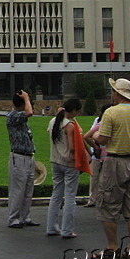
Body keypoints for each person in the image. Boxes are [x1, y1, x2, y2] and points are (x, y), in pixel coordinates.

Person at [92, 78, 130, 259]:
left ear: (118, 93)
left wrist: (95, 135)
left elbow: (103, 139)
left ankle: (112, 247)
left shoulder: (111, 112)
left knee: (108, 205)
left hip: (115, 161)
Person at [46, 98, 84, 238]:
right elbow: (73, 147)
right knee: (69, 197)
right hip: (68, 162)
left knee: (56, 195)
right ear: (73, 110)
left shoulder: (53, 121)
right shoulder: (69, 125)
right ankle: (67, 230)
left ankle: (51, 227)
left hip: (55, 160)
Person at [6, 89, 39, 228]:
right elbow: (29, 112)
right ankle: (14, 218)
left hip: (28, 156)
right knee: (18, 190)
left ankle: (25, 217)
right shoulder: (13, 116)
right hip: (18, 157)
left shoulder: (21, 118)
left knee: (28, 190)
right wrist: (26, 98)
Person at [83, 104, 111, 207]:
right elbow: (88, 135)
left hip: (107, 154)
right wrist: (96, 147)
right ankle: (93, 199)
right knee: (95, 177)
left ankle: (103, 200)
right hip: (99, 154)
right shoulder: (98, 121)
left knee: (106, 179)